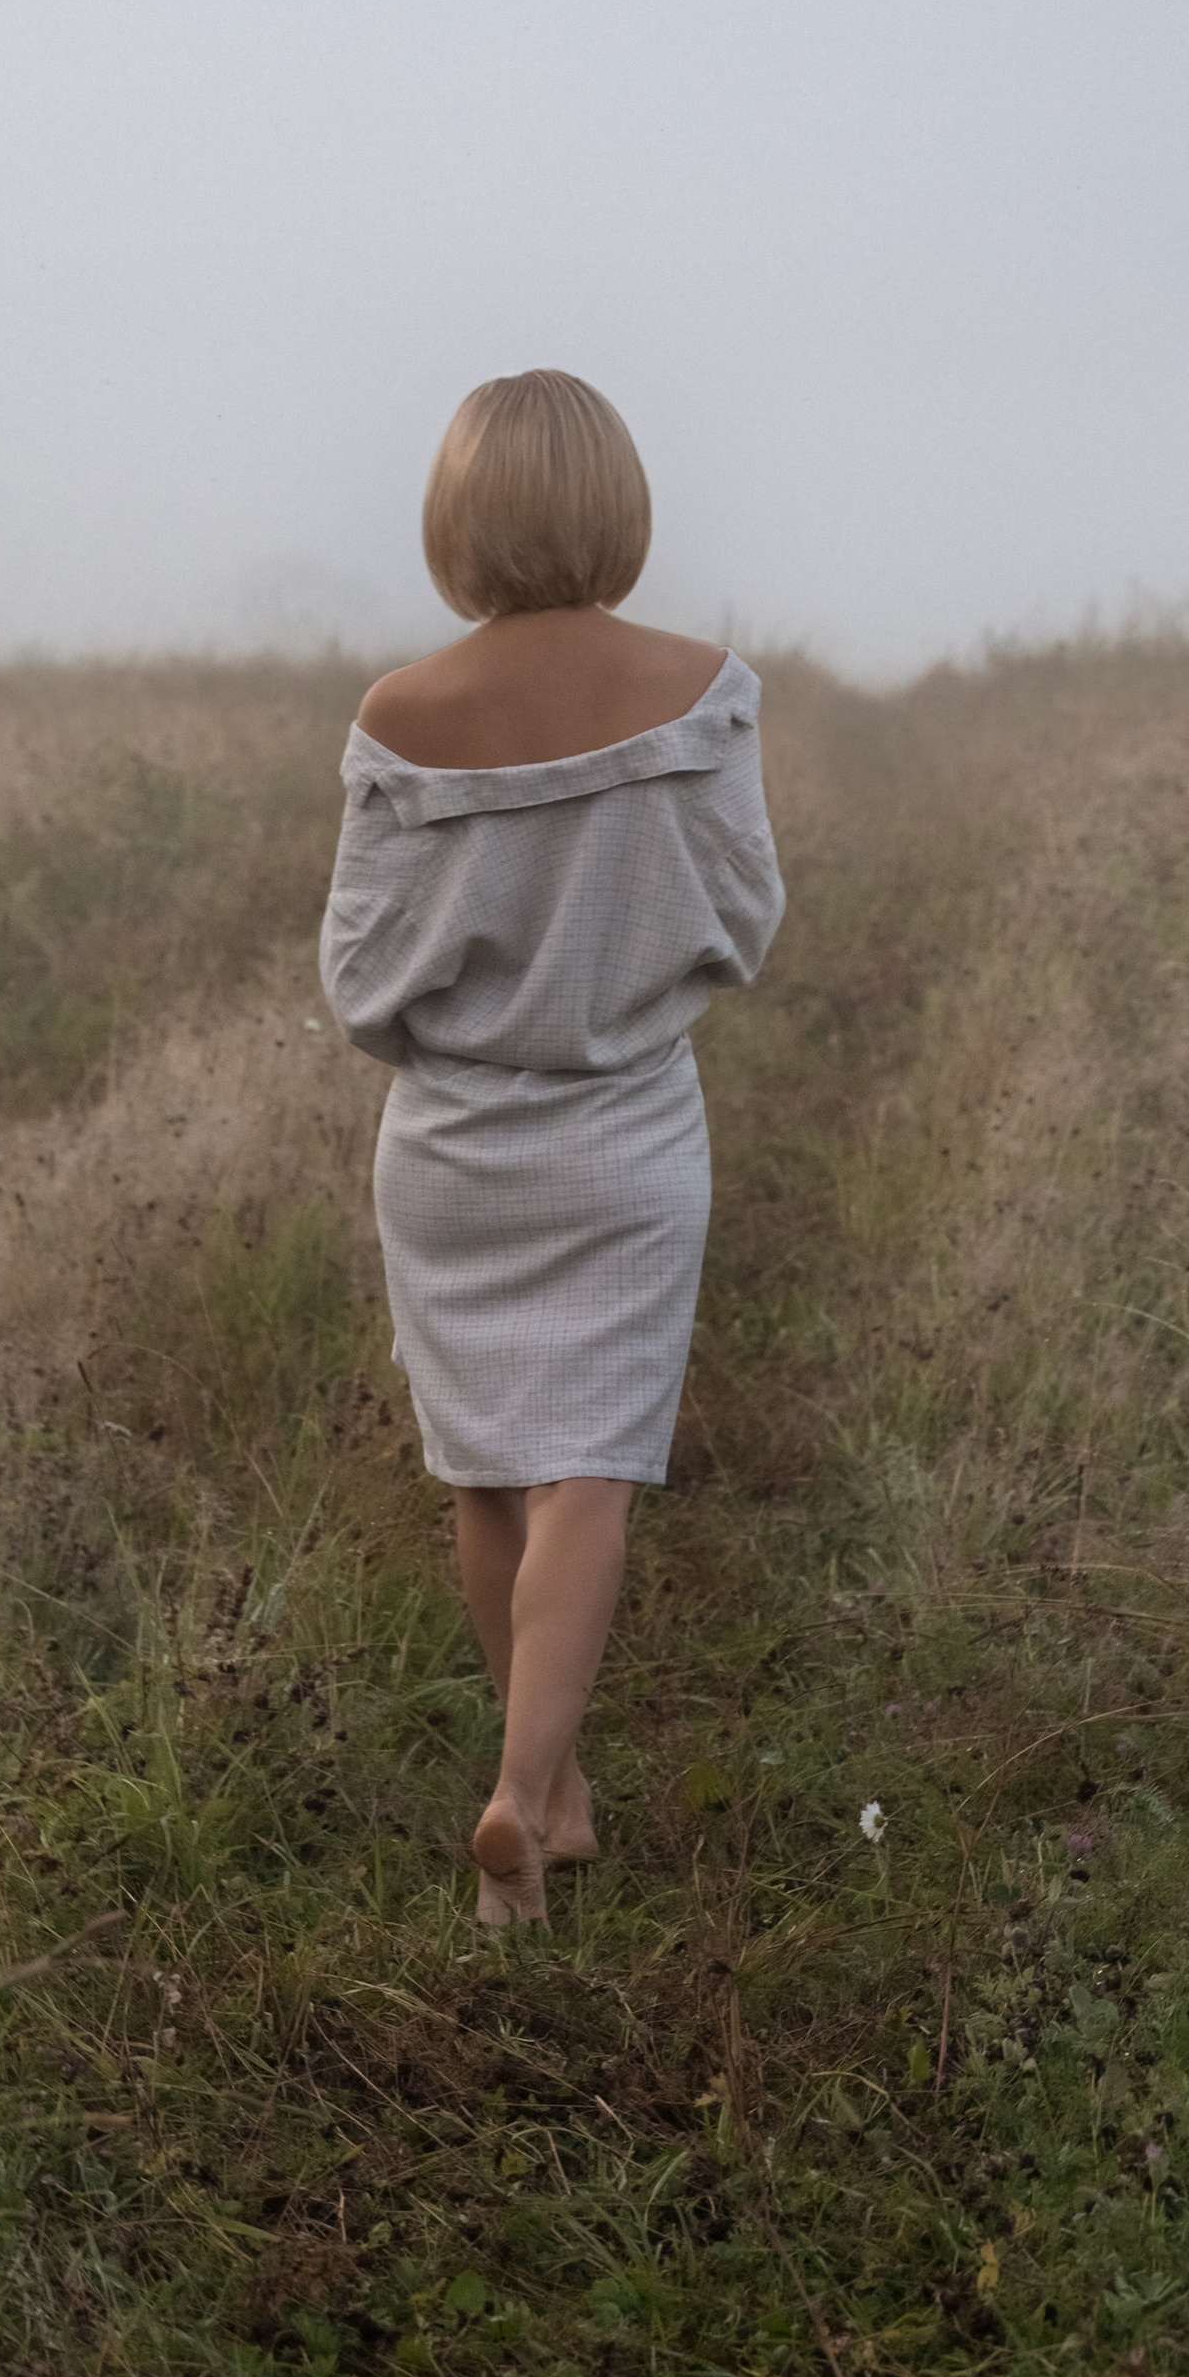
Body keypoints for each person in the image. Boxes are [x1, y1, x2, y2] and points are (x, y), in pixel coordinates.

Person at [319, 371, 785, 1926]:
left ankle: (551, 1795)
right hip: (630, 1130)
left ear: (457, 519)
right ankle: (531, 1789)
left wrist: (471, 1030)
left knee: (487, 1472)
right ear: (618, 507)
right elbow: (744, 920)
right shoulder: (704, 685)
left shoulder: (399, 715)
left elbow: (362, 983)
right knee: (593, 1462)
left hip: (450, 1150)